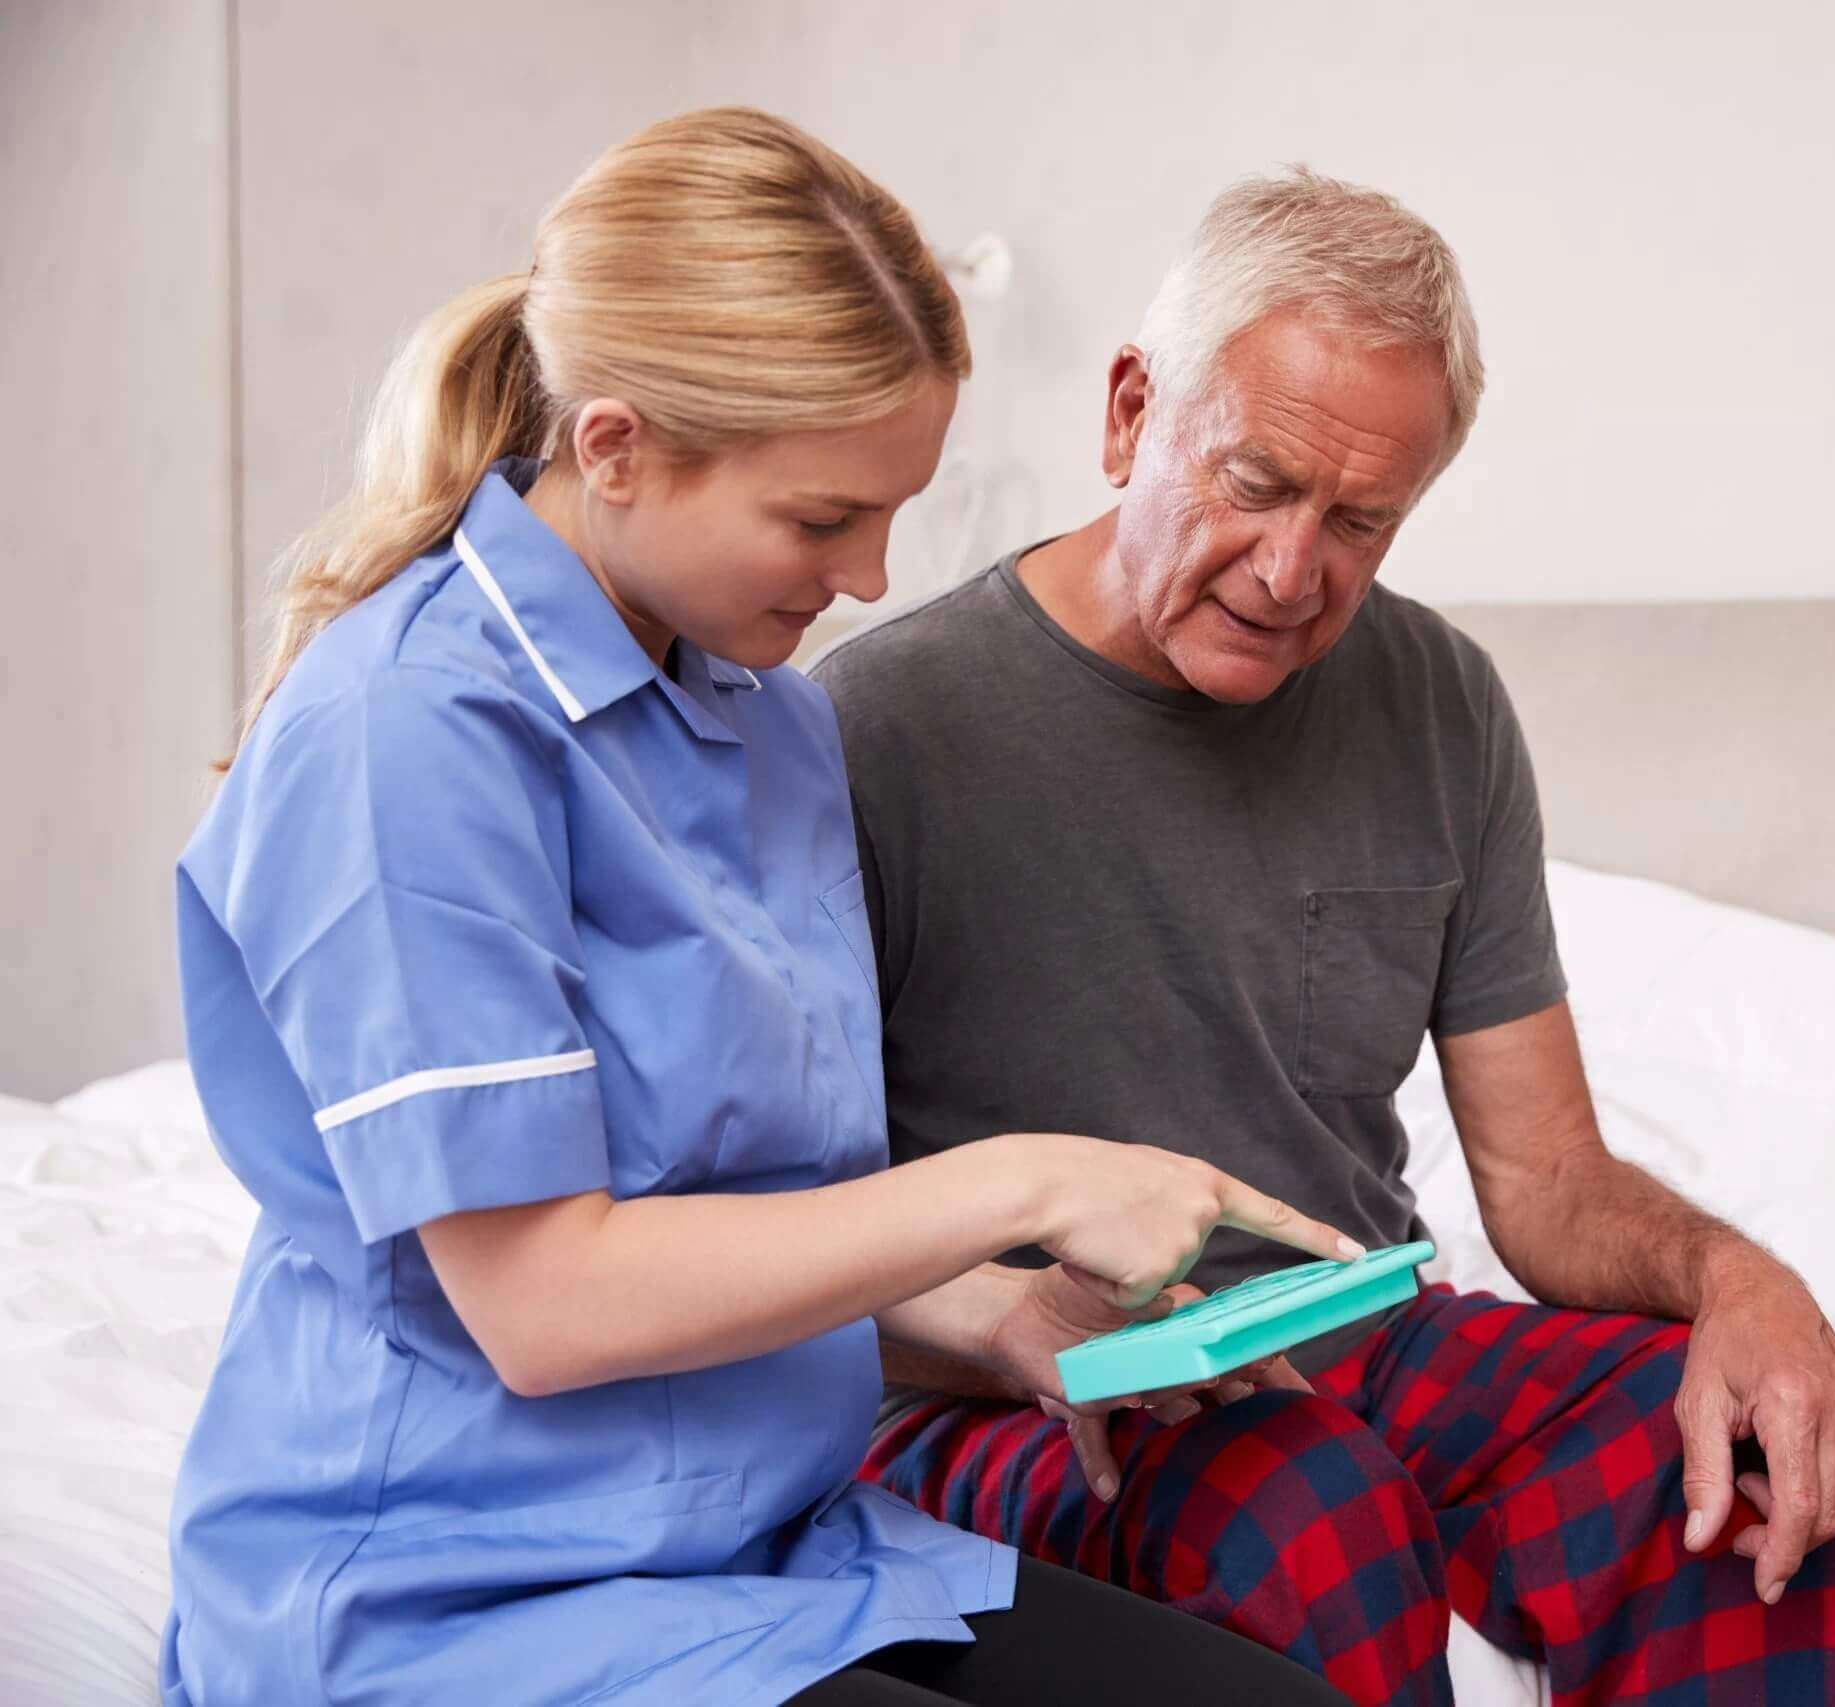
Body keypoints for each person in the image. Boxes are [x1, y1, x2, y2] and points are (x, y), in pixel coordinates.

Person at [161, 107, 1356, 1707]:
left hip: (760, 1551)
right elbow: (544, 1306)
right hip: (454, 1598)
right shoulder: (410, 733)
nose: (868, 579)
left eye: (888, 514)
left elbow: (730, 1198)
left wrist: (1004, 1311)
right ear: (617, 449)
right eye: (820, 520)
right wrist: (1030, 1179)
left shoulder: (771, 721)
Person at [815, 168, 1835, 1707]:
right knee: (1307, 1502)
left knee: (1724, 1442)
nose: (1292, 571)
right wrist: (1018, 1332)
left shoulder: (1443, 707)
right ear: (1130, 415)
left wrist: (1740, 1281)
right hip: (1018, 1385)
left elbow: (1548, 1183)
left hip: (1347, 1338)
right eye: (1256, 483)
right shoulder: (877, 728)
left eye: (1361, 521)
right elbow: (788, 1226)